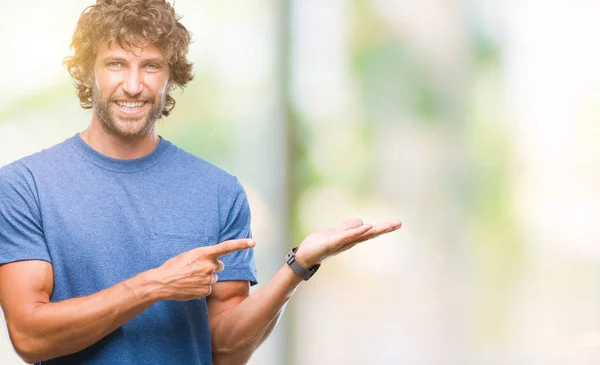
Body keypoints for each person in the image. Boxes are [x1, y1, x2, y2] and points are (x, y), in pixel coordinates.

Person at [0, 0, 402, 364]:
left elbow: (225, 350)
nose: (135, 85)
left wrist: (299, 265)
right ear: (89, 74)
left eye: (152, 66)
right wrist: (154, 285)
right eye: (116, 64)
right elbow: (30, 337)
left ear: (171, 78)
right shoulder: (25, 186)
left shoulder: (218, 192)